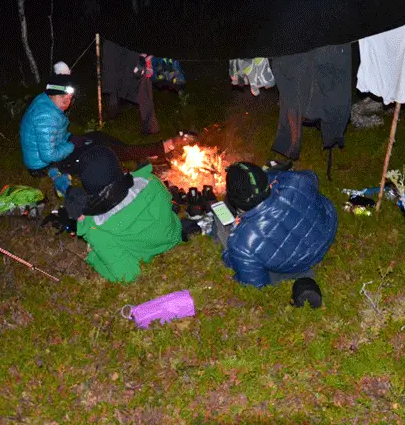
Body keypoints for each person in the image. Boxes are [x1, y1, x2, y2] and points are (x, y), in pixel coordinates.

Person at [19, 61, 193, 189]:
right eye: (62, 97)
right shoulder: (45, 116)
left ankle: (136, 153)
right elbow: (49, 155)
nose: (67, 102)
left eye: (70, 98)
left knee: (98, 137)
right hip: (45, 165)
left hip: (58, 145)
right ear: (52, 94)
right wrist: (71, 145)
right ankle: (156, 149)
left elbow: (54, 137)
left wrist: (70, 141)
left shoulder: (47, 102)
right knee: (101, 151)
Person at [49, 145, 188, 283]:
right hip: (174, 236)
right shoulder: (150, 181)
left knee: (100, 248)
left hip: (146, 254)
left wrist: (92, 258)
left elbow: (127, 275)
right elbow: (169, 205)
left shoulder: (97, 228)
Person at [218, 162, 337, 305]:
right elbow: (312, 178)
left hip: (295, 263)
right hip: (327, 230)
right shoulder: (294, 181)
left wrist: (229, 255)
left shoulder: (242, 242)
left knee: (220, 224)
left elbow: (255, 285)